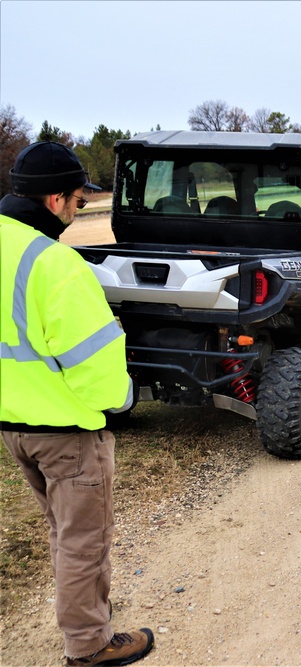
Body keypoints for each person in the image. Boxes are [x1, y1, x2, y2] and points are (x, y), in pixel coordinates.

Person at [0, 142, 154, 665]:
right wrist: (123, 399)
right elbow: (94, 362)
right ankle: (88, 645)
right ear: (54, 199)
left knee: (65, 533)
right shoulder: (55, 264)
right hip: (65, 432)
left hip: (12, 427)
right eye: (77, 202)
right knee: (83, 540)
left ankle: (85, 614)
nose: (78, 211)